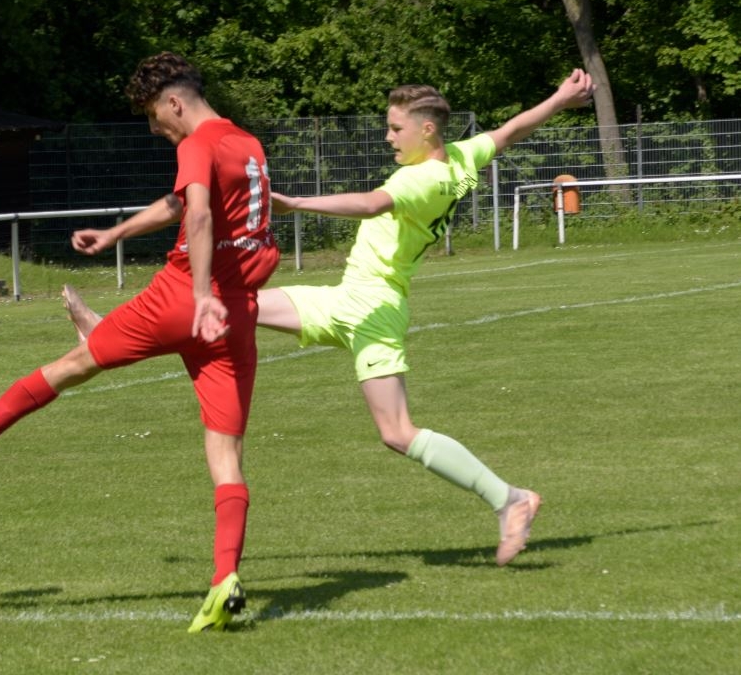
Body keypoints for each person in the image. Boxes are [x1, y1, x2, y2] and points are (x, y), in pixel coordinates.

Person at [62, 69, 596, 567]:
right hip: (346, 298)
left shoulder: (426, 180)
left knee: (397, 432)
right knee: (230, 304)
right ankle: (109, 333)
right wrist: (560, 98)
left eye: (396, 129)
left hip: (374, 310)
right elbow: (510, 130)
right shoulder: (460, 157)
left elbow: (370, 203)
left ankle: (509, 498)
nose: (388, 137)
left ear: (426, 129)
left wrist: (295, 204)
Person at [0, 52, 280, 633]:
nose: (154, 128)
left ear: (175, 102)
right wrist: (118, 231)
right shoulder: (247, 143)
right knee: (226, 457)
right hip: (235, 316)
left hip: (185, 299)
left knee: (75, 364)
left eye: (153, 115)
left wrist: (200, 294)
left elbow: (198, 217)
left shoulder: (195, 143)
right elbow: (181, 203)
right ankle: (225, 578)